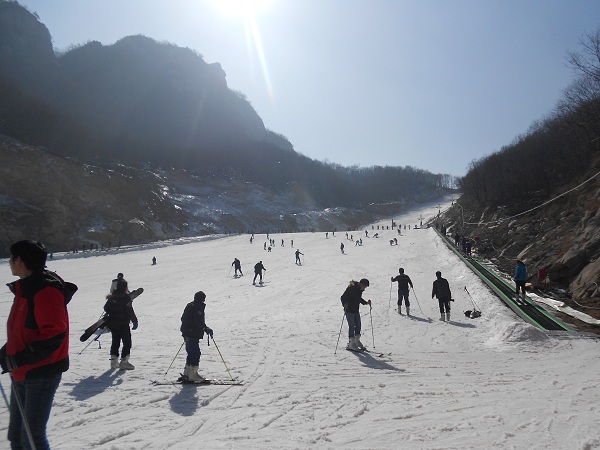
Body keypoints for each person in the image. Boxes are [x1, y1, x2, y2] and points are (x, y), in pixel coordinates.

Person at [0, 240, 77, 450]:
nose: (9, 263)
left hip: (41, 373)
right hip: (22, 370)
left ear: (20, 261)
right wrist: (7, 351)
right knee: (16, 435)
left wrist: (18, 358)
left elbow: (53, 336)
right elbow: (26, 330)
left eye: (12, 258)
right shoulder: (26, 288)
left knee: (31, 437)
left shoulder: (45, 291)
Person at [104, 279, 138, 370]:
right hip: (123, 324)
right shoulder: (126, 297)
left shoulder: (112, 297)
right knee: (127, 342)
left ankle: (113, 362)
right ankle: (124, 362)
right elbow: (129, 310)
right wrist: (135, 321)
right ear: (125, 287)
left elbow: (105, 308)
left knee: (115, 341)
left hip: (113, 324)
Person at [180, 291, 213, 381]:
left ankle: (187, 373)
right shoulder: (197, 307)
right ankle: (192, 375)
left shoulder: (190, 305)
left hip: (187, 333)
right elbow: (198, 321)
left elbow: (184, 319)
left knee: (191, 353)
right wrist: (205, 328)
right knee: (195, 353)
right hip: (192, 334)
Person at [340, 279, 371, 351]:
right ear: (361, 284)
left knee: (358, 325)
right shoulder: (351, 288)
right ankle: (351, 344)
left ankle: (356, 341)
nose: (364, 288)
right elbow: (343, 297)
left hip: (355, 310)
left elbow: (358, 299)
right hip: (349, 310)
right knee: (352, 325)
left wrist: (366, 302)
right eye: (364, 286)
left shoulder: (359, 290)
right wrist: (344, 304)